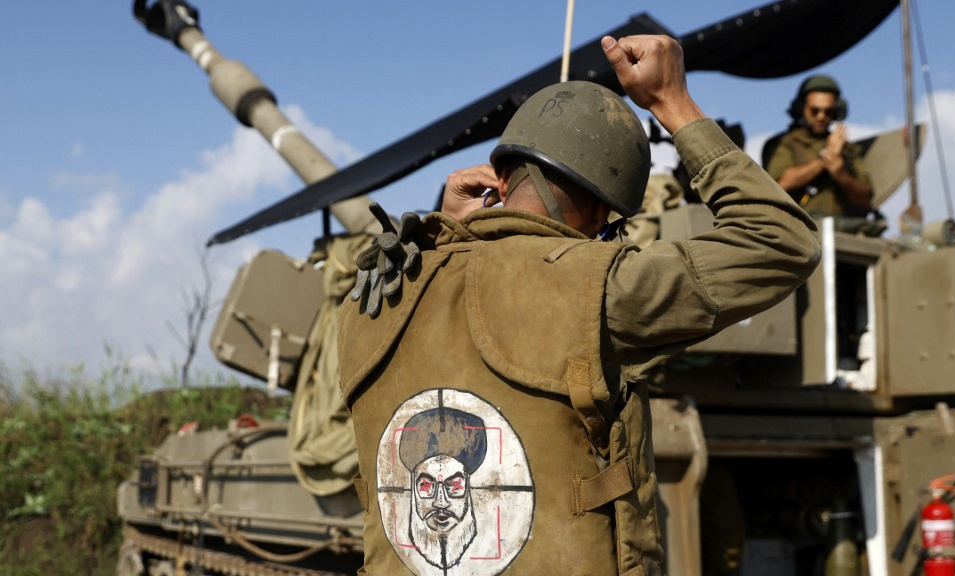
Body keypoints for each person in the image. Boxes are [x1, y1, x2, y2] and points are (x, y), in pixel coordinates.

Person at [338, 35, 820, 576]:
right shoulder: (600, 287)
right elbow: (782, 242)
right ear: (600, 214)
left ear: (501, 178)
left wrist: (447, 240)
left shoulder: (371, 300)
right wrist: (671, 102)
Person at [762, 75, 874, 219]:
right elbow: (780, 184)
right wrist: (824, 160)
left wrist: (840, 174)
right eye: (815, 110)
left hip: (840, 232)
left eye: (828, 111)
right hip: (797, 229)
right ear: (801, 107)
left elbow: (866, 198)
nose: (821, 116)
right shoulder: (784, 143)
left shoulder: (848, 149)